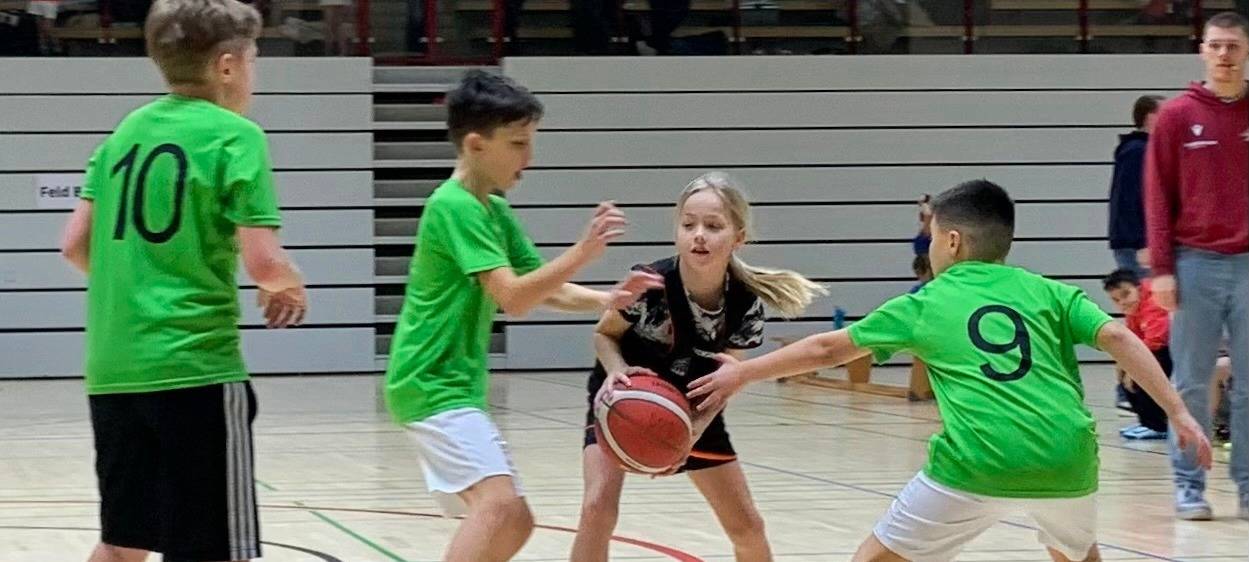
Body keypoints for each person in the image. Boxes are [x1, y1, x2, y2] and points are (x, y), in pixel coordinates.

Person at [687, 180, 1212, 562]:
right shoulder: (1049, 290)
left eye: (934, 236)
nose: (932, 246)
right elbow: (1121, 337)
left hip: (977, 463)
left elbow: (828, 348)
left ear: (953, 242)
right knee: (1075, 553)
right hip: (1067, 460)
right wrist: (1179, 411)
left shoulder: (927, 302)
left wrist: (743, 373)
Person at [58, 1, 309, 560]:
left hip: (114, 369)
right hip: (193, 368)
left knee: (125, 543)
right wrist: (288, 283)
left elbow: (74, 246)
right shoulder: (235, 136)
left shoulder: (125, 134)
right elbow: (264, 264)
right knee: (216, 548)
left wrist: (143, 279)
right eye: (252, 59)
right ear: (226, 66)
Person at [382, 70, 663, 562]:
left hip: (452, 385)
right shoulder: (454, 207)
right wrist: (583, 251)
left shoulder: (491, 208)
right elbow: (513, 298)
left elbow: (543, 288)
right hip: (431, 382)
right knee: (497, 508)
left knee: (515, 520)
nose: (528, 159)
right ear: (475, 145)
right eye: (517, 144)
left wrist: (605, 298)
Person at [571, 172, 825, 562]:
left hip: (696, 404)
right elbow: (604, 336)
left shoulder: (745, 303)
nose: (699, 235)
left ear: (738, 237)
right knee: (596, 509)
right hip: (624, 396)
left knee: (748, 527)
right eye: (688, 225)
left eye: (713, 225)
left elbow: (726, 383)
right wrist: (617, 369)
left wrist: (689, 435)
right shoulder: (650, 284)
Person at [1144, 10, 1249, 521]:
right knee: (1189, 382)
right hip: (1195, 265)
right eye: (1216, 45)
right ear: (1202, 50)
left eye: (1233, 45)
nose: (1225, 54)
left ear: (1247, 50)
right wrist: (1162, 268)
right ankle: (1189, 487)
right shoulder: (1176, 116)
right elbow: (1158, 197)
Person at [1103, 268, 1172, 440]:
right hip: (1157, 350)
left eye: (1126, 295)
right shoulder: (1135, 308)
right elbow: (1132, 337)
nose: (1122, 303)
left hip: (1171, 352)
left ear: (1139, 287)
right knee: (1127, 372)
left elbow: (1157, 339)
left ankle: (1157, 425)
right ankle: (1147, 422)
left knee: (1142, 372)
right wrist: (1123, 364)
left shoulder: (1155, 300)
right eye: (1116, 300)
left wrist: (1133, 368)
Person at [1108, 95, 1163, 279]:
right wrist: (1142, 243)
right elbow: (1129, 199)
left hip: (1139, 242)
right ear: (1150, 117)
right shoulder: (1138, 151)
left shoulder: (1143, 150)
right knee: (1149, 303)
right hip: (1137, 245)